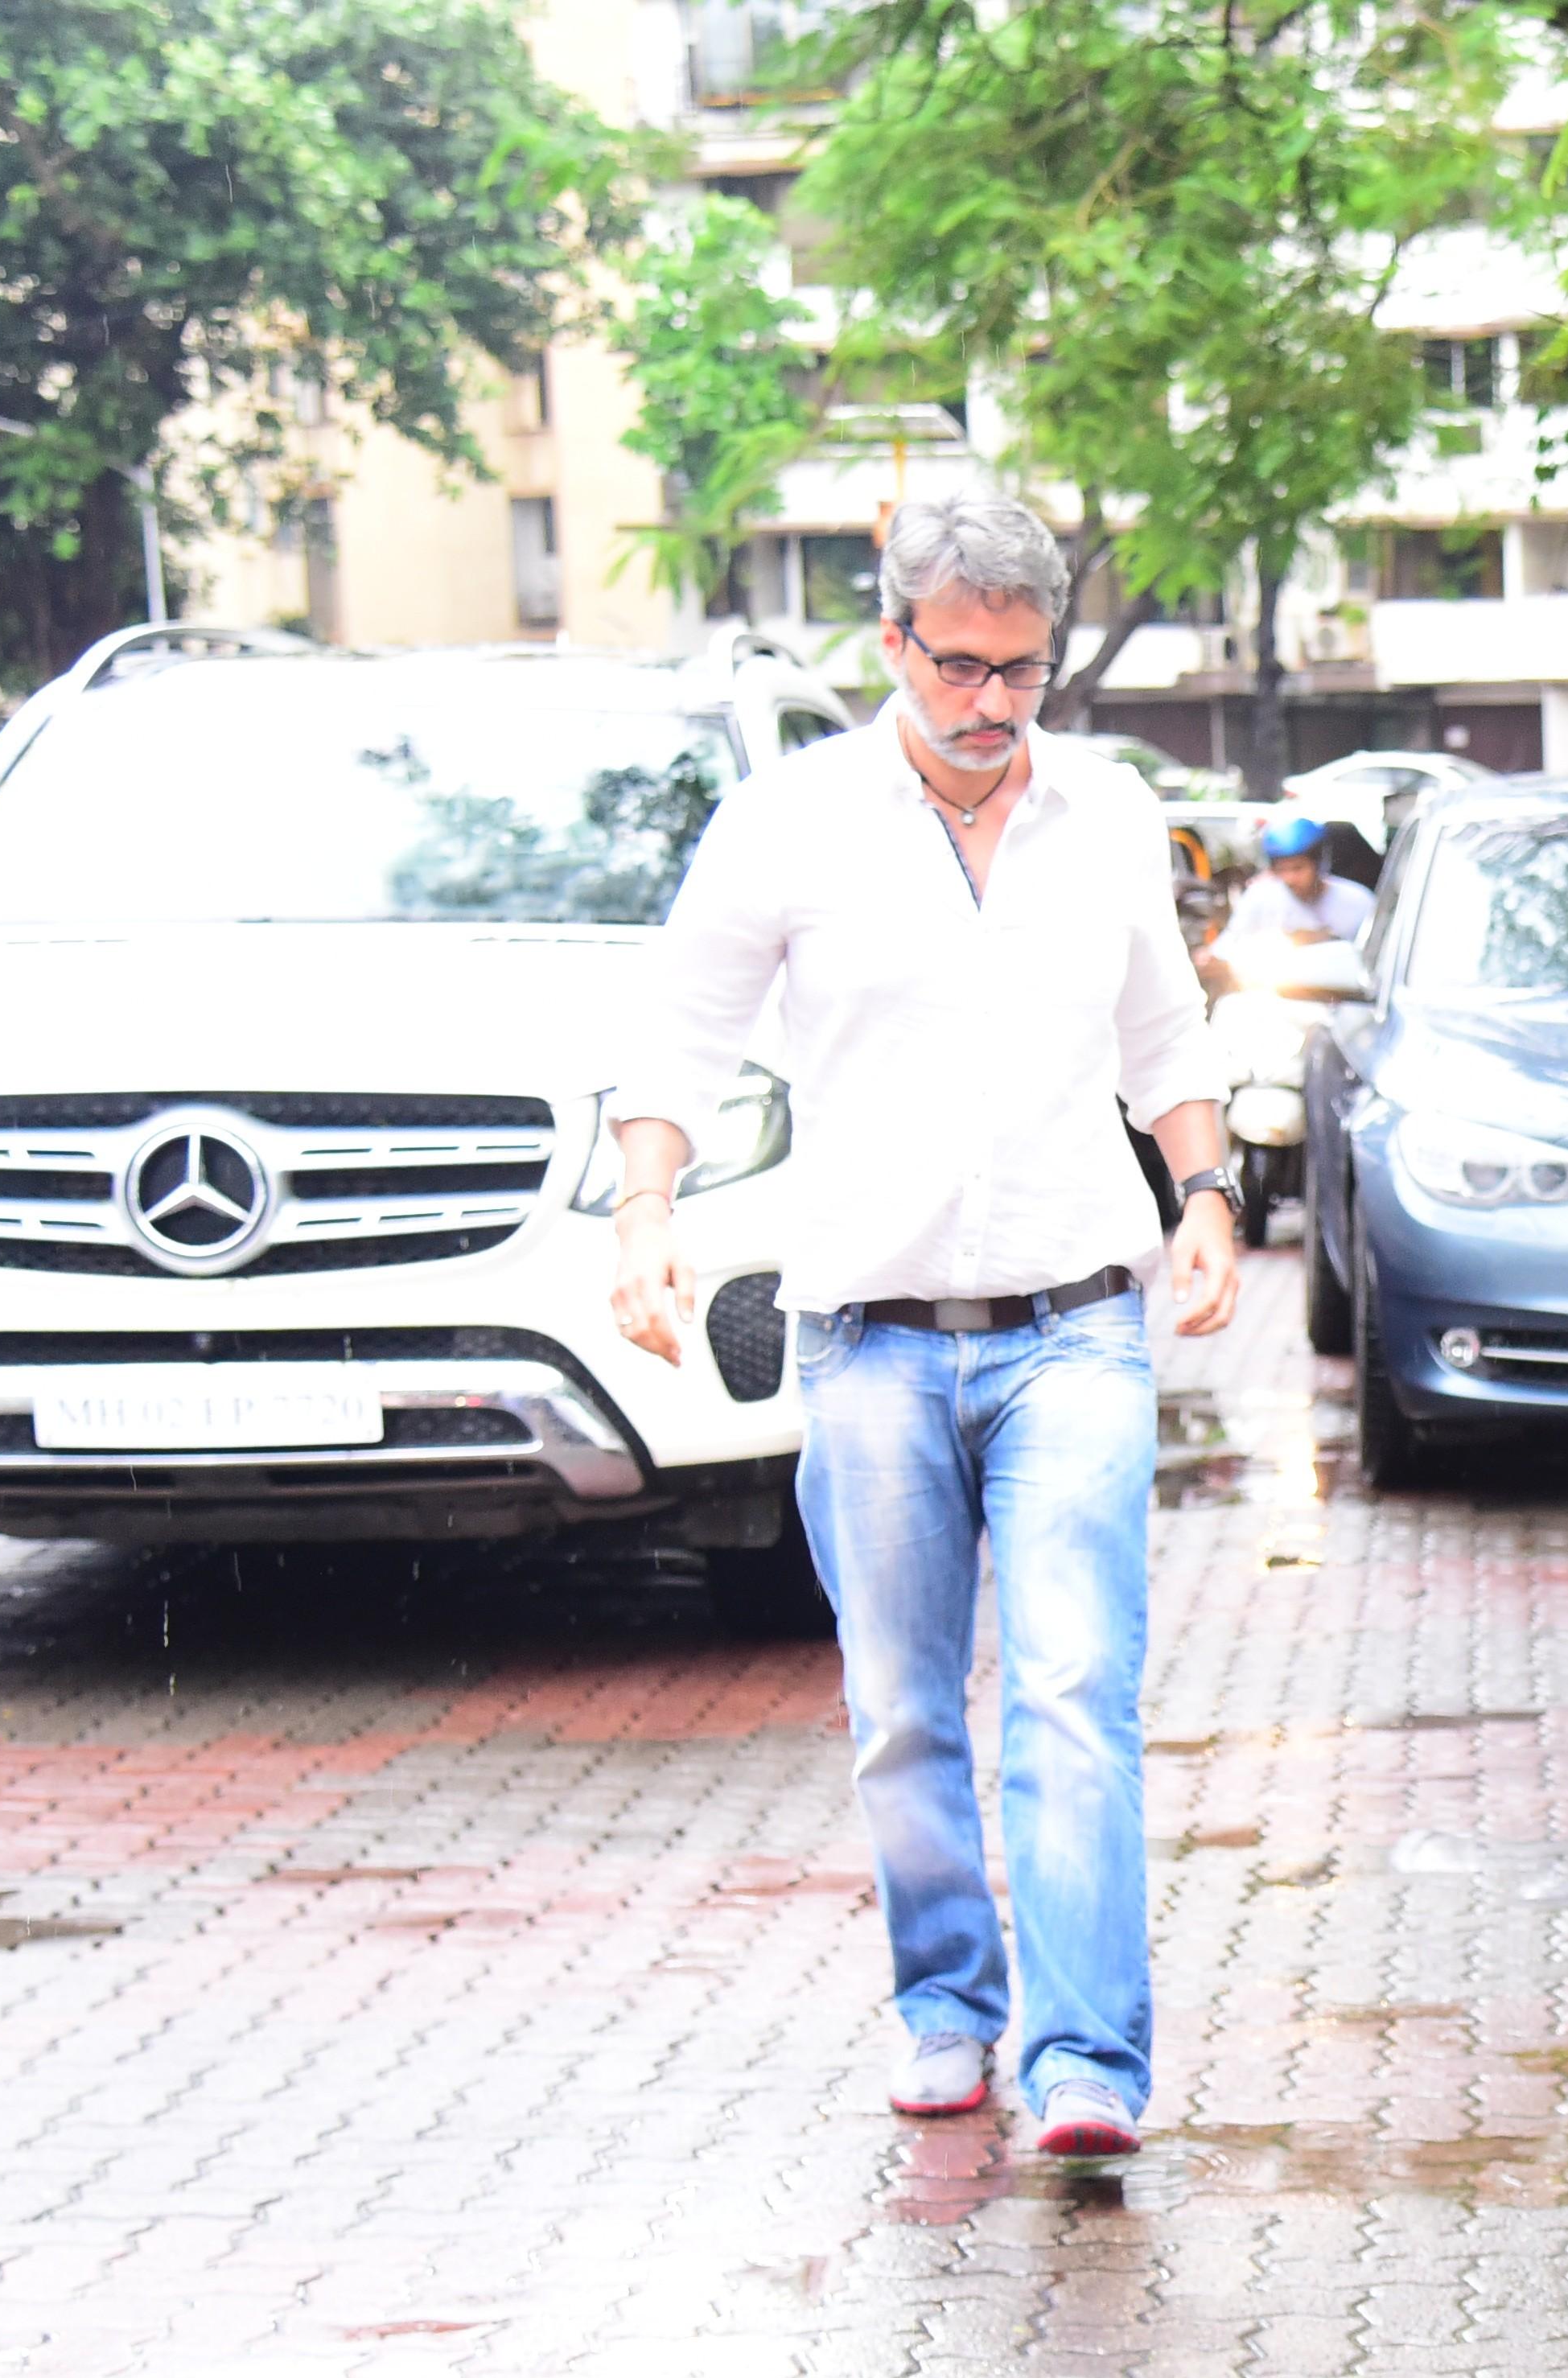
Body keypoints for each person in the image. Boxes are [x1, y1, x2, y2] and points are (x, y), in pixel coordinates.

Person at [613, 492, 1244, 2157]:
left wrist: (1207, 1198)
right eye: (956, 665)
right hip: (870, 1338)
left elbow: (1164, 1039)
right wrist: (644, 1217)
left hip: (1075, 1329)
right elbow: (676, 1039)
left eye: (1019, 671)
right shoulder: (789, 823)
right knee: (903, 1704)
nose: (987, 702)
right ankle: (947, 2002)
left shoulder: (1104, 812)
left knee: (1068, 1689)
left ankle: (1087, 2055)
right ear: (890, 642)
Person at [1223, 816, 1370, 954]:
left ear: (1319, 864)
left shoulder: (1360, 901)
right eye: (1281, 870)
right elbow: (1229, 945)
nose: (1290, 879)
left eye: (1298, 868)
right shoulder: (1260, 897)